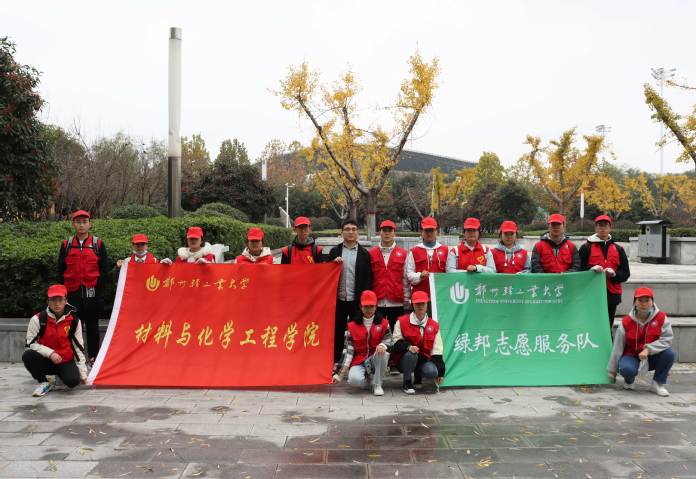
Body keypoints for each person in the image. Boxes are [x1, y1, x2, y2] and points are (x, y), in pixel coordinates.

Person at [58, 209, 108, 364]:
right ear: (73, 224)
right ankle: (73, 357)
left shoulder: (97, 244)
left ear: (90, 224)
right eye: (78, 222)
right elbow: (60, 270)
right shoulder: (66, 244)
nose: (81, 225)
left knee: (92, 327)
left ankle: (93, 357)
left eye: (84, 222)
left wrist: (99, 294)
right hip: (72, 293)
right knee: (71, 327)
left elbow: (104, 270)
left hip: (91, 292)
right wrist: (62, 295)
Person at [608, 287, 675, 397]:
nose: (644, 304)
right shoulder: (626, 321)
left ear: (652, 302)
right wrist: (612, 370)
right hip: (631, 356)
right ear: (634, 302)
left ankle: (657, 383)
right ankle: (629, 381)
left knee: (669, 354)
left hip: (652, 356)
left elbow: (667, 339)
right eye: (640, 300)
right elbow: (618, 347)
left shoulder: (661, 318)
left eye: (647, 300)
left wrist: (649, 349)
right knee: (627, 369)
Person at [23, 284, 87, 397]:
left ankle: (59, 376)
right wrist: (51, 353)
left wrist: (83, 373)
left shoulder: (74, 321)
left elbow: (79, 347)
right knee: (28, 355)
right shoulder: (38, 319)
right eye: (53, 300)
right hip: (46, 359)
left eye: (60, 300)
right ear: (48, 301)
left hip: (65, 360)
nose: (57, 304)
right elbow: (30, 344)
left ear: (66, 301)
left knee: (73, 382)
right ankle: (44, 381)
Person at [328, 219, 373, 364]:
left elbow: (368, 279)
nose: (351, 232)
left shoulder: (365, 254)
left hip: (356, 301)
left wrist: (364, 302)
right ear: (342, 232)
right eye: (347, 229)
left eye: (354, 229)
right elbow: (327, 274)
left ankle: (356, 360)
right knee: (337, 331)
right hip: (339, 299)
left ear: (357, 232)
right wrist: (332, 264)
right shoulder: (334, 251)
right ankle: (335, 360)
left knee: (357, 332)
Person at [333, 290, 392, 396]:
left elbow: (389, 341)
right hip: (359, 360)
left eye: (371, 306)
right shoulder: (351, 326)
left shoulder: (384, 323)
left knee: (382, 353)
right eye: (366, 306)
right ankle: (370, 380)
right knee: (353, 380)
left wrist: (382, 345)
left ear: (376, 307)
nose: (369, 309)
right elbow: (348, 351)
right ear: (361, 307)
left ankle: (377, 384)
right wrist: (339, 374)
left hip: (376, 358)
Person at [579, 215, 631, 331]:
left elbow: (626, 273)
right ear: (595, 228)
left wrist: (614, 274)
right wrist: (591, 269)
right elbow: (579, 270)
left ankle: (608, 341)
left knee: (608, 324)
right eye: (600, 226)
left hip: (612, 294)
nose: (602, 229)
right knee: (591, 324)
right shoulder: (586, 248)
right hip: (591, 294)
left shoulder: (618, 249)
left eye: (605, 226)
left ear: (610, 228)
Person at [391, 291, 445, 394]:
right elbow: (396, 343)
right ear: (413, 305)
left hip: (423, 360)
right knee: (411, 355)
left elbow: (437, 351)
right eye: (417, 304)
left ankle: (418, 376)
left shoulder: (434, 325)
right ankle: (407, 382)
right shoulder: (401, 321)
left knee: (432, 372)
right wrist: (408, 347)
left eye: (423, 303)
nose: (420, 306)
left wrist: (441, 372)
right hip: (404, 360)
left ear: (427, 305)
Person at [368, 219, 410, 331]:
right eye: (384, 230)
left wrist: (406, 298)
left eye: (390, 230)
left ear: (394, 233)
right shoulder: (371, 253)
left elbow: (405, 278)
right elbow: (368, 278)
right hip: (377, 301)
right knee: (377, 334)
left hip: (396, 301)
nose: (387, 233)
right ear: (380, 233)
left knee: (397, 333)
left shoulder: (403, 253)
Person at [405, 217, 449, 299]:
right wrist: (420, 276)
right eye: (426, 230)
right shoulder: (414, 251)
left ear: (436, 231)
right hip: (420, 297)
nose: (429, 233)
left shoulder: (445, 250)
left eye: (431, 230)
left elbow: (450, 273)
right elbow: (409, 275)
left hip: (440, 296)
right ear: (421, 232)